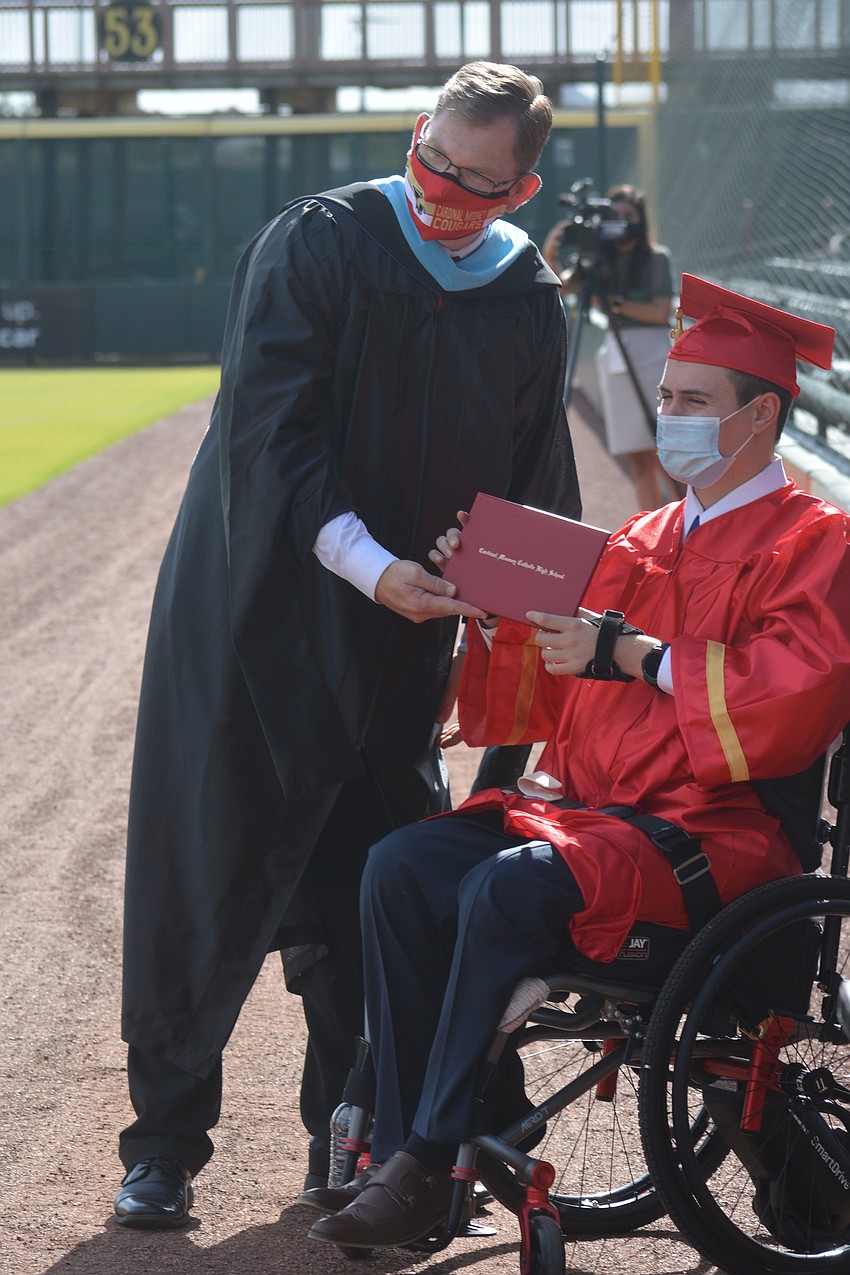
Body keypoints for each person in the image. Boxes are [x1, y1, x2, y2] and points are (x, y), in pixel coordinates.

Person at [113, 61, 582, 1228]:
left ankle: (358, 1138)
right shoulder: (317, 244)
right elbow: (268, 441)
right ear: (415, 134)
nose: (441, 198)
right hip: (253, 619)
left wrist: (499, 618)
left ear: (519, 190)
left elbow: (532, 497)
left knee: (375, 882)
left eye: (477, 185)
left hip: (398, 643)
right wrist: (375, 570)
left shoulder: (525, 299)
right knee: (208, 871)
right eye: (432, 162)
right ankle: (163, 1147)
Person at [303, 276, 850, 1251]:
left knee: (507, 890)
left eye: (692, 402)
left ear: (760, 415)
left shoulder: (817, 543)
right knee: (399, 868)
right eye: (667, 395)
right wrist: (488, 592)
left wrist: (635, 656)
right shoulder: (639, 539)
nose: (666, 415)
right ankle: (396, 1146)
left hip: (712, 839)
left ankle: (428, 1160)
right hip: (595, 819)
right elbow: (556, 684)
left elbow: (794, 694)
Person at [543, 183, 678, 511]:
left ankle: (686, 526)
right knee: (637, 455)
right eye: (613, 216)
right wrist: (550, 251)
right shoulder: (598, 259)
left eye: (627, 216)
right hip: (616, 357)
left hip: (652, 355)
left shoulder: (656, 258)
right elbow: (561, 285)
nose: (619, 222)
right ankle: (649, 529)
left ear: (640, 219)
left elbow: (660, 312)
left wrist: (613, 304)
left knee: (665, 452)